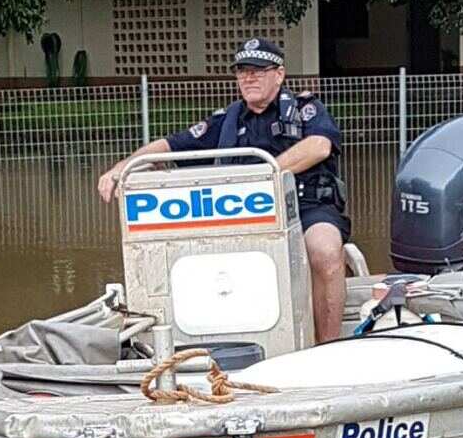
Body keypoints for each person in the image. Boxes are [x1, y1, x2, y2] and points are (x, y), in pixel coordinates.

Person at [97, 37, 351, 343]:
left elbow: (319, 146)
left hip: (305, 206)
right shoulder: (226, 120)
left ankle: (327, 348)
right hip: (242, 213)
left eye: (258, 70)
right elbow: (169, 146)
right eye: (243, 71)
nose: (249, 77)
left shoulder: (305, 109)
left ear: (279, 74)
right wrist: (121, 168)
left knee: (324, 251)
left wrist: (265, 175)